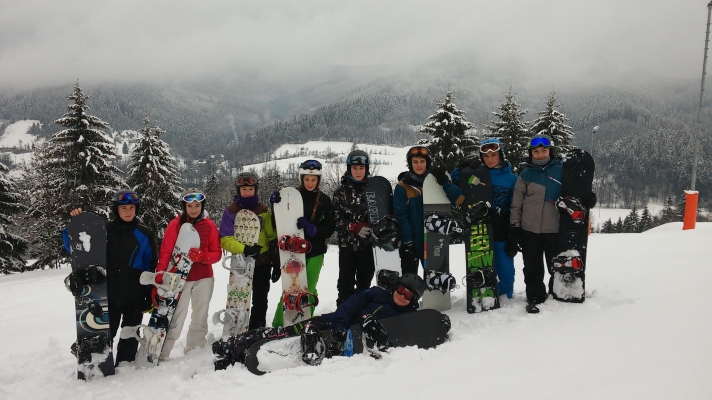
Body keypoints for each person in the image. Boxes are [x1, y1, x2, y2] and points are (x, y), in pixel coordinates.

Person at [215, 273, 426, 367]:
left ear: (414, 300)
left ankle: (239, 359)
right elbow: (348, 307)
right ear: (395, 287)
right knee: (281, 334)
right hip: (328, 323)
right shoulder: (375, 294)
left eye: (408, 296)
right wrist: (343, 327)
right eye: (400, 290)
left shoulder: (405, 318)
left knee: (285, 346)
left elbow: (397, 340)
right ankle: (233, 346)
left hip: (343, 342)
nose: (402, 296)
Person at [63, 190, 157, 366]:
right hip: (108, 295)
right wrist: (75, 224)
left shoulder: (145, 234)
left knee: (129, 334)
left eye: (131, 207)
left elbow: (150, 264)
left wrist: (148, 293)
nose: (128, 211)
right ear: (117, 209)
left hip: (134, 295)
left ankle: (125, 366)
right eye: (123, 208)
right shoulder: (103, 230)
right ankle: (99, 363)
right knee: (106, 335)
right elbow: (76, 248)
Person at [157, 188, 221, 360]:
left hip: (204, 277)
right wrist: (160, 277)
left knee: (200, 314)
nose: (193, 209)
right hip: (179, 278)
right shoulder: (175, 225)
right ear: (184, 206)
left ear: (202, 206)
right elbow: (165, 253)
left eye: (197, 205)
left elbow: (217, 253)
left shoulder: (209, 225)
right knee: (176, 316)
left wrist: (204, 256)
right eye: (190, 206)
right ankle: (162, 352)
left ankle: (195, 350)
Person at [271, 159, 335, 326]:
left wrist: (314, 230)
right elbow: (277, 225)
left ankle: (305, 323)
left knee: (308, 290)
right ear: (301, 179)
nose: (310, 183)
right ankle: (279, 324)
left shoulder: (324, 201)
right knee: (290, 289)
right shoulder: (290, 198)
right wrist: (276, 207)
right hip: (292, 251)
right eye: (306, 179)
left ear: (319, 180)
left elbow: (329, 227)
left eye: (314, 180)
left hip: (315, 251)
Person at [508, 134, 564, 312]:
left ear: (551, 151)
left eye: (544, 151)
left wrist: (587, 198)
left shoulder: (561, 170)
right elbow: (516, 204)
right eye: (536, 151)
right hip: (529, 229)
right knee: (532, 267)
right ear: (531, 153)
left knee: (556, 265)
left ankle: (558, 295)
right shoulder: (525, 174)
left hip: (554, 228)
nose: (540, 155)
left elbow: (576, 193)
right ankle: (535, 296)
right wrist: (515, 227)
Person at [219, 172, 278, 330]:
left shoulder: (263, 210)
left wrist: (277, 262)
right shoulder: (231, 211)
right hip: (240, 262)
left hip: (263, 261)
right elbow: (225, 239)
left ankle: (256, 329)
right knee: (239, 297)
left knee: (260, 299)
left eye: (250, 189)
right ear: (238, 191)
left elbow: (271, 236)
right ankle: (237, 329)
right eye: (244, 189)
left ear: (255, 190)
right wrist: (244, 248)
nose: (247, 192)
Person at [393, 145, 465, 275]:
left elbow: (458, 200)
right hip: (412, 241)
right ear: (410, 164)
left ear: (427, 163)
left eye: (422, 161)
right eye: (415, 162)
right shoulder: (403, 187)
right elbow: (401, 216)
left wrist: (444, 181)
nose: (419, 165)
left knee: (433, 280)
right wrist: (408, 242)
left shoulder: (436, 182)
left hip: (434, 239)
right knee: (410, 281)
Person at [465, 138, 518, 298]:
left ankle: (505, 296)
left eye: (493, 155)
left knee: (505, 267)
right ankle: (483, 292)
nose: (489, 159)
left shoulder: (512, 179)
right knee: (482, 264)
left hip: (501, 228)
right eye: (486, 156)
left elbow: (516, 206)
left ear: (500, 155)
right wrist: (465, 166)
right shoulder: (477, 175)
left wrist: (514, 231)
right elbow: (458, 180)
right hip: (480, 228)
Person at [332, 150, 376, 306]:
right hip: (347, 247)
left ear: (367, 169)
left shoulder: (373, 190)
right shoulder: (340, 193)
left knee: (364, 286)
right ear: (349, 168)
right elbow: (334, 220)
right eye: (355, 168)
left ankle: (360, 315)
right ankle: (343, 316)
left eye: (362, 168)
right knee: (345, 286)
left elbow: (382, 214)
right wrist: (352, 226)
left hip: (368, 246)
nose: (358, 172)